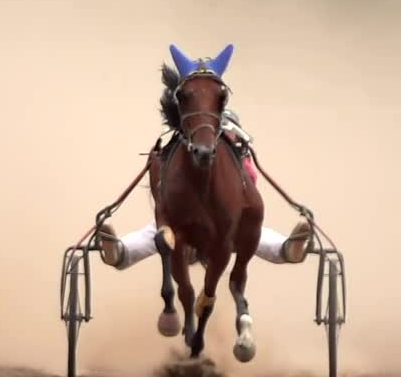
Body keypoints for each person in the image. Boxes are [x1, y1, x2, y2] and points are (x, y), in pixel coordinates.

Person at [97, 108, 313, 269]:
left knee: (254, 234)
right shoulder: (186, 158)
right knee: (154, 232)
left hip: (228, 227)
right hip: (184, 224)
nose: (223, 140)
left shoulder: (242, 162)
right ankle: (119, 252)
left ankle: (287, 249)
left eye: (228, 134)